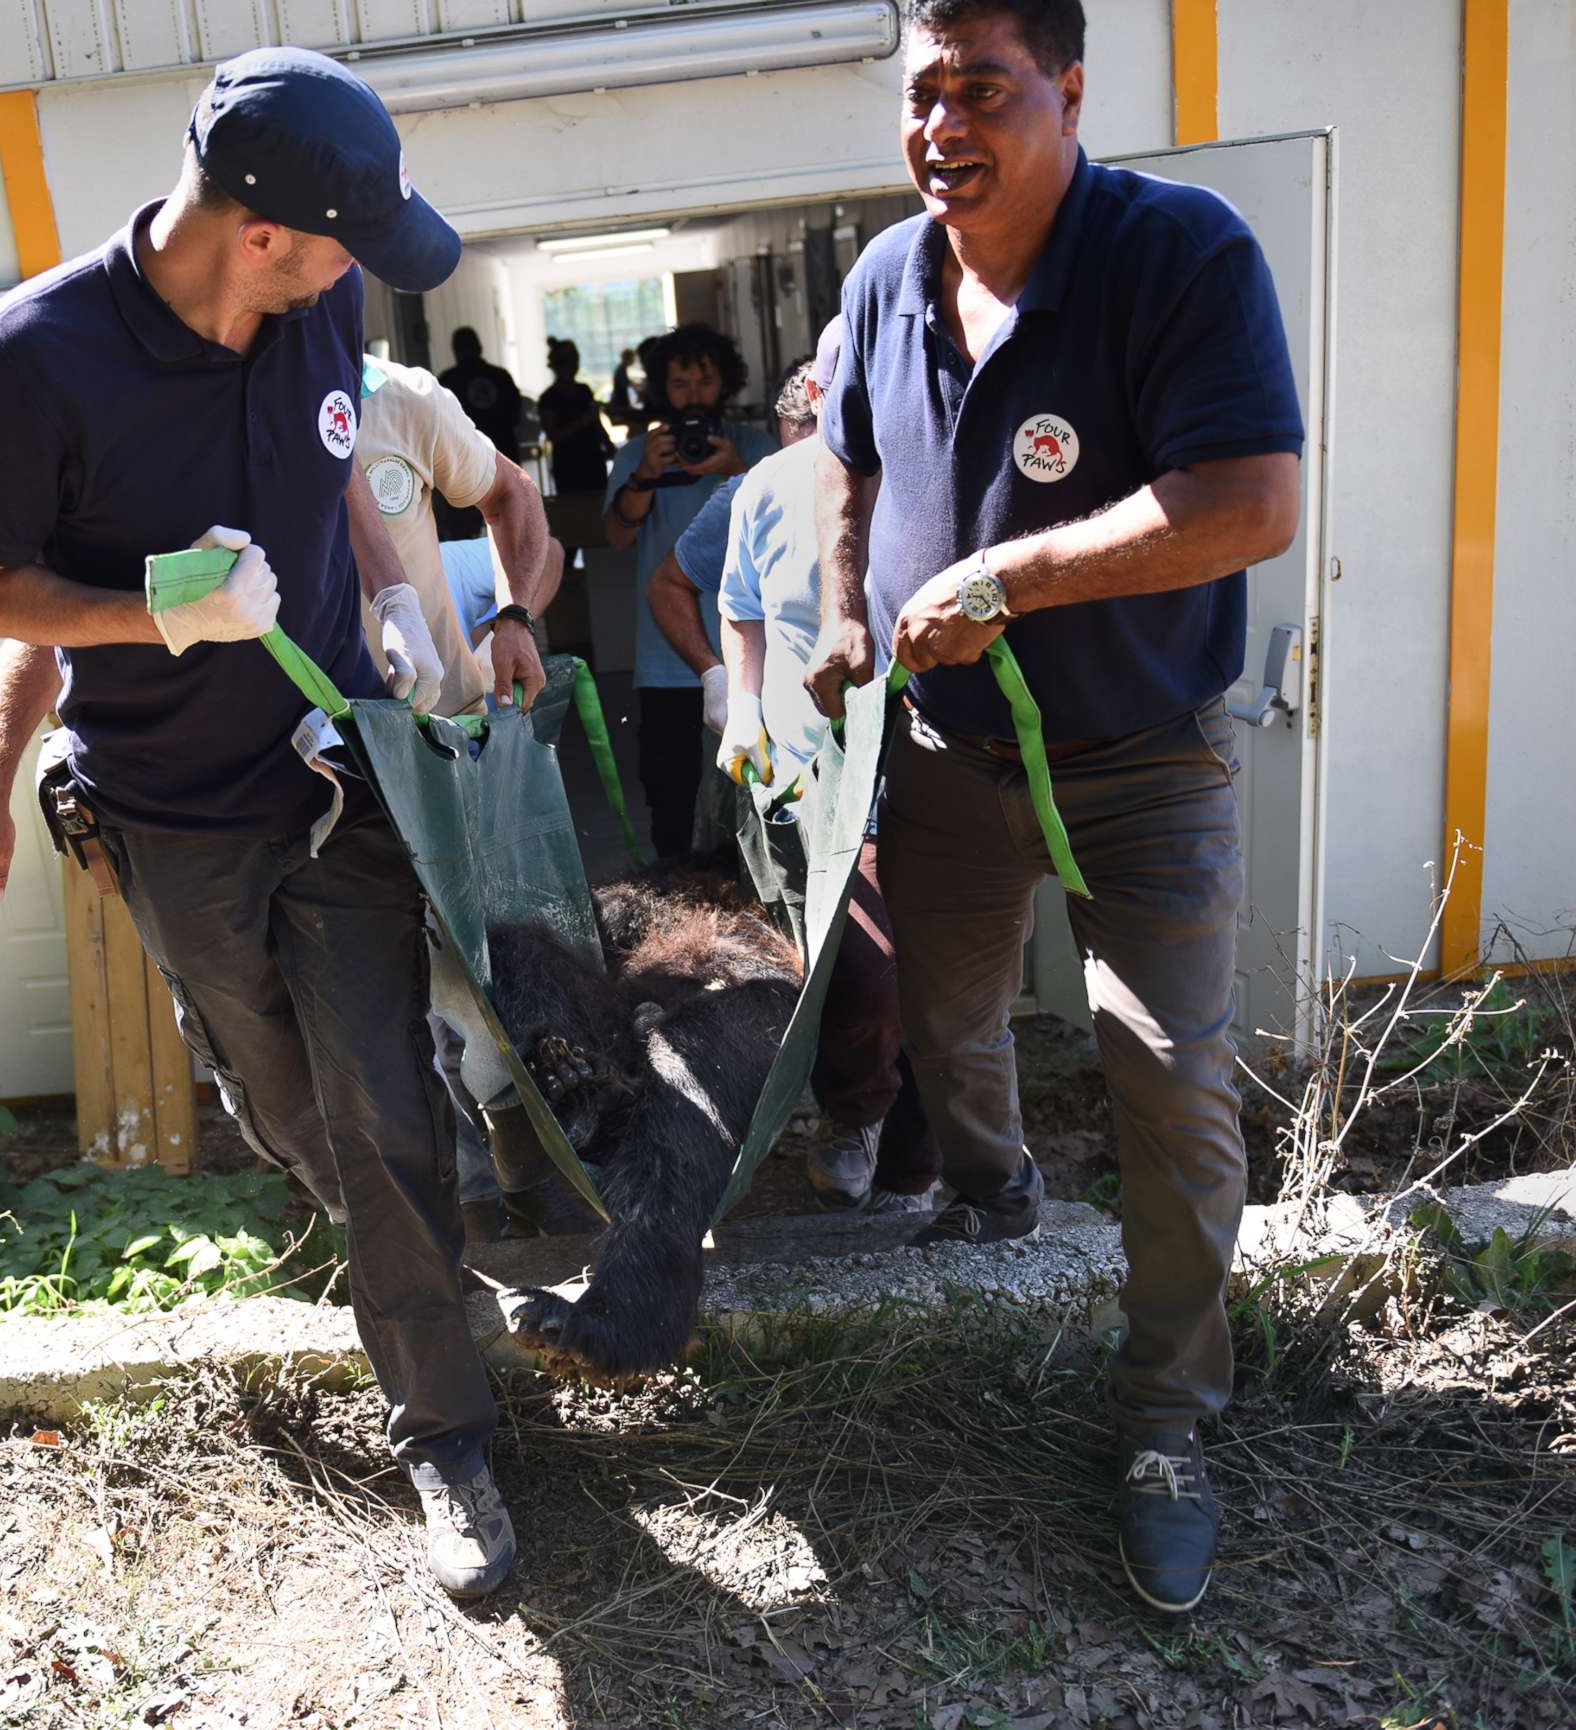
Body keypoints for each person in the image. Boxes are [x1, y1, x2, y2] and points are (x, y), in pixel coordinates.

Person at [0, 47, 517, 1600]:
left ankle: (446, 1428)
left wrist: (396, 608)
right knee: (289, 1106)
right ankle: (421, 1253)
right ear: (258, 228)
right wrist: (150, 616)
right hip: (172, 812)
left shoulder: (323, 306)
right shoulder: (40, 356)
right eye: (340, 244)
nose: (355, 276)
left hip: (340, 779)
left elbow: (345, 492)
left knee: (381, 1098)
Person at [809, 0, 1302, 1614]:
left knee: (1169, 1083)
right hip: (943, 759)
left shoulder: (1180, 257)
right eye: (920, 92)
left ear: (1070, 90)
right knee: (945, 1021)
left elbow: (1247, 503)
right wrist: (833, 611)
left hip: (1138, 760)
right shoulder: (886, 277)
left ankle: (1166, 1414)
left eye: (983, 90)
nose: (943, 125)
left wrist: (1008, 577)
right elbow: (852, 468)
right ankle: (996, 1195)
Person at [674, 326, 941, 1217]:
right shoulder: (769, 486)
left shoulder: (937, 473)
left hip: (935, 762)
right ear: (823, 395)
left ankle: (924, 1161)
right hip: (803, 772)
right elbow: (740, 606)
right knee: (851, 964)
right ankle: (852, 1116)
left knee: (938, 968)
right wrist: (738, 699)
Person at [353, 352, 558, 1246]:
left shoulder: (397, 399)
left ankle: (532, 1185)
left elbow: (510, 494)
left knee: (486, 978)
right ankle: (457, 1206)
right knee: (382, 1000)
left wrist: (513, 618)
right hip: (314, 764)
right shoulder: (207, 406)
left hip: (442, 734)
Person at [602, 323, 776, 857]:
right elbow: (615, 537)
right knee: (669, 792)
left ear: (726, 381)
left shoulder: (755, 448)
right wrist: (644, 476)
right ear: (660, 389)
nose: (694, 394)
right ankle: (677, 894)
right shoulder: (639, 453)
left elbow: (788, 513)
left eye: (704, 380)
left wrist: (738, 471)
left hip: (751, 652)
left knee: (759, 782)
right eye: (680, 383)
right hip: (665, 656)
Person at [355, 352, 553, 718]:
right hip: (295, 732)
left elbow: (510, 493)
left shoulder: (404, 395)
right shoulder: (231, 410)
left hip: (437, 724)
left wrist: (513, 619)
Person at [536, 338, 613, 497]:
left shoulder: (583, 390)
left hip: (590, 458)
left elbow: (596, 422)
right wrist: (584, 421)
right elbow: (554, 435)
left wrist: (608, 443)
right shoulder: (549, 398)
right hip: (569, 463)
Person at [437, 326, 523, 461]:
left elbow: (441, 424)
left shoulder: (449, 381)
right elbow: (516, 415)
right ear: (480, 348)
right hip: (503, 452)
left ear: (455, 351)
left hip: (467, 458)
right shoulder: (501, 377)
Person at [606, 345, 644, 434]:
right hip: (620, 406)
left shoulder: (621, 370)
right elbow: (627, 384)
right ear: (629, 358)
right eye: (633, 358)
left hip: (619, 405)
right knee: (640, 420)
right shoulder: (620, 371)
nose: (634, 360)